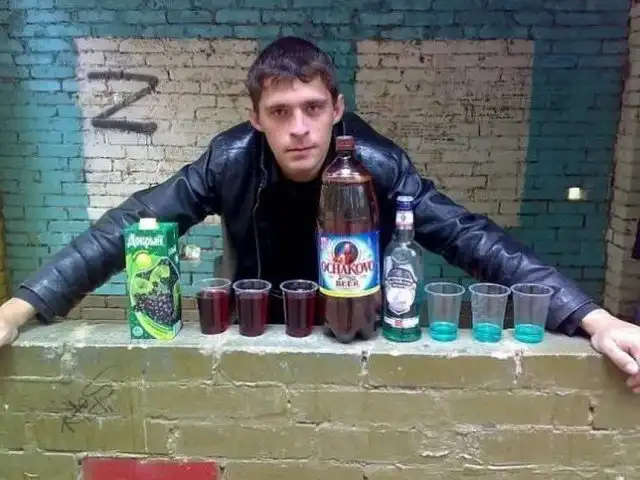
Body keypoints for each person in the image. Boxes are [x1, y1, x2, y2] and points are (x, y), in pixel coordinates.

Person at [1, 36, 639, 391]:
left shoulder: (379, 166)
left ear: (337, 107)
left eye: (312, 108)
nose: (299, 128)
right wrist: (17, 309)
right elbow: (133, 223)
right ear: (256, 119)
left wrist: (596, 319)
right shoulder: (228, 160)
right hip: (258, 336)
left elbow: (472, 238)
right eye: (280, 113)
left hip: (355, 337)